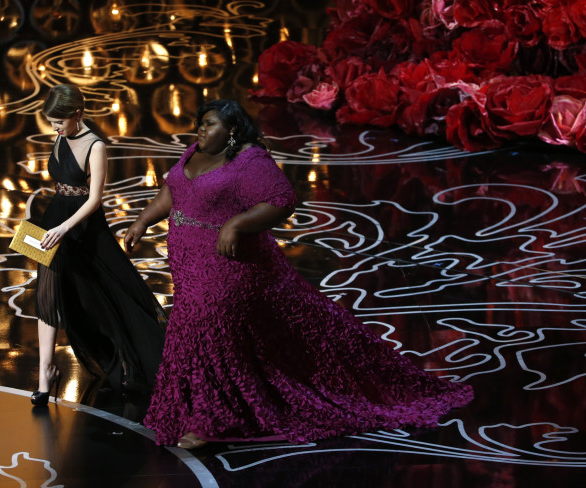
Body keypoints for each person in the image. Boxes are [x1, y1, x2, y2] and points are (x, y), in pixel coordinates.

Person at [123, 99, 473, 448]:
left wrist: (236, 223)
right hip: (188, 260)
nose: (201, 130)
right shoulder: (194, 152)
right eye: (199, 123)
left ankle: (212, 422)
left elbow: (281, 200)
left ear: (231, 130)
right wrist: (141, 222)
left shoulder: (249, 160)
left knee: (207, 326)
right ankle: (197, 409)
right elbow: (171, 193)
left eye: (210, 124)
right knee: (199, 330)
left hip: (230, 262)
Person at [31, 84, 166, 406]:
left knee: (109, 293)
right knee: (46, 290)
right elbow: (60, 183)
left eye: (59, 122)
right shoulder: (61, 134)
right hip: (54, 219)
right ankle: (45, 372)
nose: (54, 128)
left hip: (82, 226)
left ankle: (141, 356)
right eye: (51, 122)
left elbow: (94, 200)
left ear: (77, 114)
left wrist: (64, 227)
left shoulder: (95, 146)